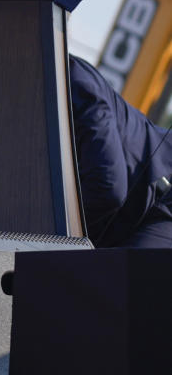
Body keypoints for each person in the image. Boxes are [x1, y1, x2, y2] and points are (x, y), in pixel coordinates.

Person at [69, 55, 172, 250]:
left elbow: (107, 187)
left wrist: (46, 236)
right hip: (128, 212)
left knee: (129, 274)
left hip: (161, 193)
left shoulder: (74, 82)